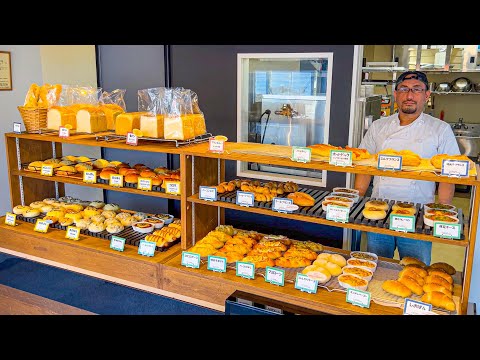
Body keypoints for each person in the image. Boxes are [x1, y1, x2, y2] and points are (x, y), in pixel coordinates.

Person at [354, 70, 460, 265]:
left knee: (415, 270)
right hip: (379, 210)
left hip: (418, 215)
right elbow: (364, 166)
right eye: (404, 89)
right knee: (375, 267)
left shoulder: (440, 129)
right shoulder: (379, 127)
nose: (409, 95)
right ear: (396, 94)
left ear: (427, 95)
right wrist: (355, 202)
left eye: (416, 89)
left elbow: (449, 175)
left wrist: (441, 213)